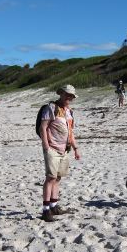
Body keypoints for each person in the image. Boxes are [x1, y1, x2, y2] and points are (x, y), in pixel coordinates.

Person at [39, 84, 81, 222]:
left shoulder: (69, 112)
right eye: (67, 94)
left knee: (57, 178)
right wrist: (46, 146)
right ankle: (46, 211)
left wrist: (76, 148)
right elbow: (43, 128)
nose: (69, 97)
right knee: (50, 178)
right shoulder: (51, 108)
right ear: (61, 94)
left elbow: (70, 132)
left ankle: (54, 206)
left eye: (71, 96)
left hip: (65, 150)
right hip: (52, 149)